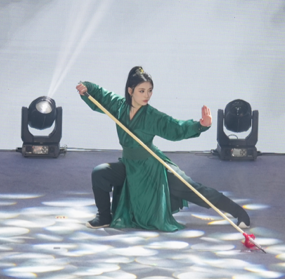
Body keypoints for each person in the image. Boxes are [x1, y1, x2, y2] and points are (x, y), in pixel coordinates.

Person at [76, 66, 251, 232]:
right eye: (142, 91)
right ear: (130, 91)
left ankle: (238, 212)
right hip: (130, 166)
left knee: (193, 189)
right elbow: (101, 95)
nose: (147, 95)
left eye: (150, 90)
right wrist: (87, 87)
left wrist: (200, 125)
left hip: (153, 167)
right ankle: (104, 216)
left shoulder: (152, 116)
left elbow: (175, 128)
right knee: (100, 172)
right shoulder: (119, 106)